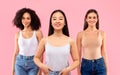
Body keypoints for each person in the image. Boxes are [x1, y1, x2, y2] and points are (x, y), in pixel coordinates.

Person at [34, 9, 79, 75]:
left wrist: (68, 69)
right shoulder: (44, 40)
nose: (57, 21)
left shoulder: (70, 41)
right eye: (54, 19)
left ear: (64, 23)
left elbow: (77, 60)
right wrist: (42, 66)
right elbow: (36, 58)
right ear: (51, 22)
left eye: (60, 19)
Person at [12, 8, 43, 75]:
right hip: (20, 63)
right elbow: (15, 52)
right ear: (20, 19)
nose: (25, 21)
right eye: (23, 18)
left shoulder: (38, 33)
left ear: (32, 20)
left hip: (34, 62)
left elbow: (41, 53)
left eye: (28, 18)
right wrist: (12, 71)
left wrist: (40, 70)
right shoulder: (17, 34)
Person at [76, 9, 108, 75]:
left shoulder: (102, 33)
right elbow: (78, 54)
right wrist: (78, 71)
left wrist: (107, 70)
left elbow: (104, 52)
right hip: (85, 65)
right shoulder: (80, 34)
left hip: (100, 65)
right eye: (89, 17)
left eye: (94, 17)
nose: (92, 19)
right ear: (86, 19)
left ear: (97, 19)